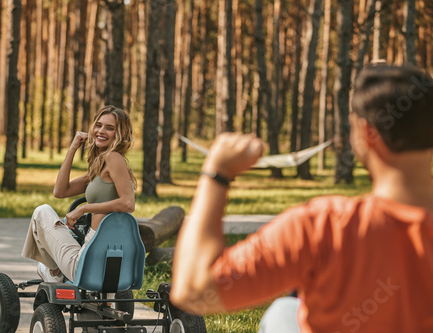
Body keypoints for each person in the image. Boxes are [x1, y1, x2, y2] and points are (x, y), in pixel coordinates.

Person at [170, 64, 433, 332]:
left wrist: (217, 174)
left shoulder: (323, 227)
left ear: (366, 132)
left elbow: (194, 289)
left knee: (283, 313)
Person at [22, 105, 136, 283]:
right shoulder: (99, 168)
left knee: (41, 212)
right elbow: (60, 191)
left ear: (119, 134)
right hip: (102, 260)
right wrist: (73, 148)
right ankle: (56, 270)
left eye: (110, 128)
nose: (101, 131)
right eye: (98, 125)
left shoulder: (113, 158)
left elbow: (128, 203)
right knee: (48, 215)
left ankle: (54, 272)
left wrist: (84, 209)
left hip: (86, 265)